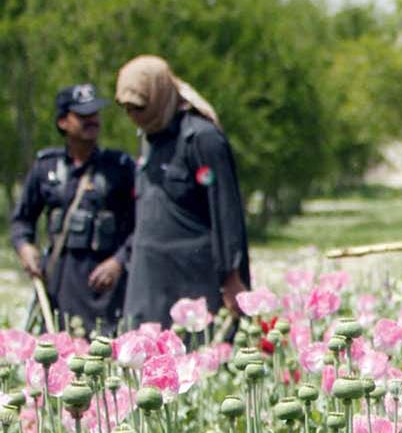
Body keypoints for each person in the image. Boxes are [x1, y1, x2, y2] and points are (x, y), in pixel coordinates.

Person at [113, 56, 250, 327]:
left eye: (138, 107)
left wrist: (232, 277)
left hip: (192, 279)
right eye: (126, 109)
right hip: (148, 277)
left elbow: (225, 211)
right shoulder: (149, 138)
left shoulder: (201, 138)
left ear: (159, 96)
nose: (133, 117)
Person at [10, 84, 136, 334]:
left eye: (94, 114)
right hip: (59, 283)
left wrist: (118, 262)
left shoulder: (120, 168)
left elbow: (141, 225)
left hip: (106, 288)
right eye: (82, 115)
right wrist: (25, 248)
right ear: (63, 122)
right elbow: (22, 221)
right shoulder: (45, 167)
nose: (92, 120)